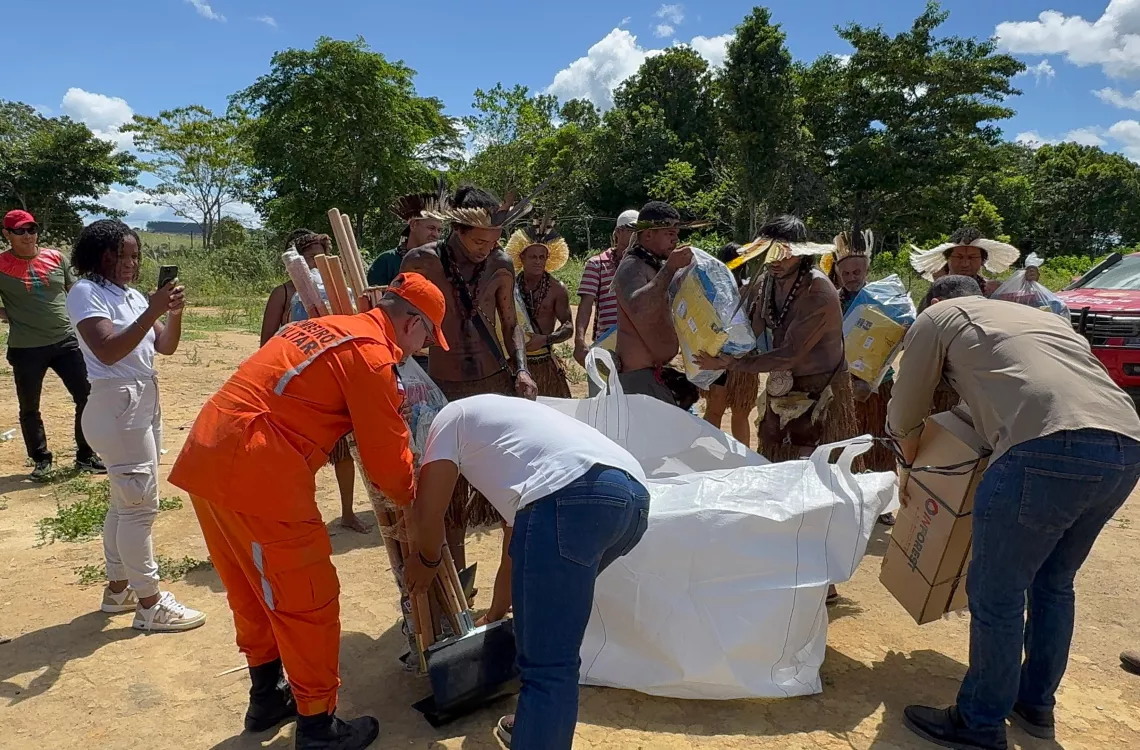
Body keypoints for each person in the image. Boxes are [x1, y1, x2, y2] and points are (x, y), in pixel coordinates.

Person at [169, 273, 447, 749]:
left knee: (253, 590)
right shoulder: (371, 354)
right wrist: (420, 498)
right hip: (258, 471)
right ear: (411, 321)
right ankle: (318, 726)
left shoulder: (334, 326)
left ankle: (265, 698)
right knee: (307, 600)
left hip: (210, 453)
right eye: (426, 337)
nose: (422, 349)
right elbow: (387, 460)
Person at [887, 275, 1140, 750]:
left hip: (1044, 447)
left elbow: (905, 411)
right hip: (1125, 447)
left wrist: (909, 467)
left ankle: (979, 722)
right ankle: (1035, 704)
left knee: (998, 593)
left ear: (935, 301)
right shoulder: (1039, 319)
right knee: (1054, 582)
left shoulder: (939, 317)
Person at [403, 394, 649, 750]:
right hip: (631, 500)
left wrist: (426, 561)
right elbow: (516, 551)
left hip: (570, 497)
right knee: (547, 629)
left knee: (549, 664)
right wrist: (498, 614)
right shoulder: (512, 436)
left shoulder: (447, 419)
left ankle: (539, 730)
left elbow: (429, 511)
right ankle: (534, 724)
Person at [65, 219, 202, 632]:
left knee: (124, 504)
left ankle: (120, 589)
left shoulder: (129, 296)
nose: (129, 263)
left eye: (134, 256)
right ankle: (149, 603)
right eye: (119, 256)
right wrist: (152, 309)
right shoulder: (85, 292)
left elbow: (166, 346)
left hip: (140, 402)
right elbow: (107, 350)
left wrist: (172, 313)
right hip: (117, 404)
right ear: (98, 255)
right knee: (140, 508)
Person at [399, 185, 539, 575]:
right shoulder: (422, 262)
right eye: (479, 240)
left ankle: (511, 582)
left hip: (494, 383)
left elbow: (510, 323)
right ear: (456, 230)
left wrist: (522, 368)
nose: (486, 248)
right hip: (443, 388)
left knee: (511, 489)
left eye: (494, 240)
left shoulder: (500, 265)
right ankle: (458, 581)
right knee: (449, 494)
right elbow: (400, 320)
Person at [259, 229, 369, 534]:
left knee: (343, 452)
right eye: (310, 259)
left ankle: (347, 512)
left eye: (322, 258)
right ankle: (298, 516)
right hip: (298, 383)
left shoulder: (338, 293)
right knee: (300, 456)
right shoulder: (283, 294)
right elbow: (267, 342)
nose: (316, 266)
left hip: (334, 381)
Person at [0, 209, 103, 480]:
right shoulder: (0, 265)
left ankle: (86, 455)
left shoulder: (56, 257)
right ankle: (41, 459)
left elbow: (76, 292)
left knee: (87, 397)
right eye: (19, 230)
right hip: (26, 347)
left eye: (31, 229)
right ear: (7, 234)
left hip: (66, 341)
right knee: (30, 407)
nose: (27, 235)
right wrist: (11, 315)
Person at [612, 201, 698, 406]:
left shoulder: (653, 265)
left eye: (676, 234)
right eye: (669, 234)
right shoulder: (632, 265)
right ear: (648, 234)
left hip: (653, 376)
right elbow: (638, 307)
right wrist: (669, 269)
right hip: (637, 379)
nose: (676, 240)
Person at [507, 219, 573, 398]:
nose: (538, 261)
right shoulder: (510, 287)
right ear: (522, 258)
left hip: (544, 361)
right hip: (515, 363)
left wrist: (545, 339)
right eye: (533, 257)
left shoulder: (557, 288)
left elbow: (568, 327)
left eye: (542, 257)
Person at [700, 243, 758, 445]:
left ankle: (711, 454)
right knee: (738, 412)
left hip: (723, 356)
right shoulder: (750, 288)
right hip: (736, 358)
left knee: (718, 410)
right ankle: (742, 460)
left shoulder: (713, 288)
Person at [574, 209, 637, 376]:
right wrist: (579, 341)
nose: (637, 236)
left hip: (640, 345)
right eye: (632, 230)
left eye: (641, 232)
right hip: (608, 343)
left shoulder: (645, 264)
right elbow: (586, 305)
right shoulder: (597, 264)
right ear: (618, 232)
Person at [366, 185, 447, 288]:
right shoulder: (386, 261)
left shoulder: (442, 266)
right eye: (431, 228)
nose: (436, 234)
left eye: (439, 230)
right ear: (413, 225)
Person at [909, 227, 1019, 296]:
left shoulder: (992, 289)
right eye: (959, 257)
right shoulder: (937, 291)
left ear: (982, 260)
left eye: (972, 257)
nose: (965, 264)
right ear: (948, 259)